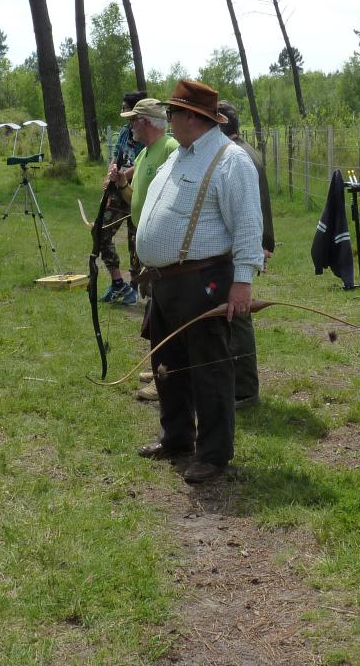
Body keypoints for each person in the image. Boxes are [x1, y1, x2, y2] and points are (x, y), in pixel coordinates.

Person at [134, 80, 263, 484]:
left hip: (204, 279)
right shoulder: (180, 157)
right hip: (167, 281)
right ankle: (176, 437)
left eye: (173, 112)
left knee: (209, 367)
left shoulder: (230, 160)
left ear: (194, 117)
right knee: (167, 363)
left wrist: (242, 283)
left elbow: (247, 226)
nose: (168, 119)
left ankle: (213, 453)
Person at [108, 98, 178, 403]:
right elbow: (134, 195)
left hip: (166, 247)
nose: (130, 126)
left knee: (169, 313)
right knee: (156, 308)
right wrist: (122, 181)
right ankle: (160, 365)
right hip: (147, 241)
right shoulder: (148, 153)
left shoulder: (171, 149)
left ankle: (169, 373)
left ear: (147, 122)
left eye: (133, 121)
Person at [216, 101, 274, 409]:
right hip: (250, 244)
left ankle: (245, 391)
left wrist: (259, 247)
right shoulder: (244, 151)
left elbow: (252, 211)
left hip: (244, 246)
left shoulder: (238, 157)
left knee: (238, 316)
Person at [97, 90, 146, 306]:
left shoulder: (146, 132)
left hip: (136, 191)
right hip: (117, 191)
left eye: (125, 108)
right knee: (100, 231)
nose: (122, 111)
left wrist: (123, 177)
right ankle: (118, 283)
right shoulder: (125, 132)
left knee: (136, 241)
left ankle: (134, 287)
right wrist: (111, 174)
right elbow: (115, 157)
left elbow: (144, 163)